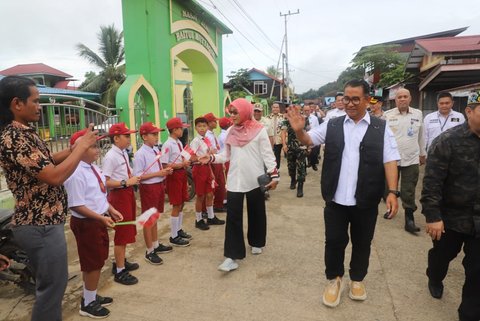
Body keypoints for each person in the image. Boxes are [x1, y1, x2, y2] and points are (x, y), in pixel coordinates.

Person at [285, 79, 400, 308]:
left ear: (367, 100)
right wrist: (299, 131)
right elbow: (310, 140)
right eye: (346, 98)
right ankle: (334, 279)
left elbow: (390, 160)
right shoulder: (333, 125)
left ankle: (357, 279)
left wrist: (392, 192)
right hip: (335, 199)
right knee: (334, 242)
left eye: (355, 98)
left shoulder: (381, 127)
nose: (349, 103)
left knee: (362, 242)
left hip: (366, 199)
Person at [0, 75, 97, 321]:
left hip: (45, 221)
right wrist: (82, 149)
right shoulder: (15, 137)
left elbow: (45, 163)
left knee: (54, 284)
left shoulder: (23, 133)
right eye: (35, 100)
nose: (39, 106)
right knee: (52, 287)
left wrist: (75, 148)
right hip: (38, 223)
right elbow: (53, 176)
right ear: (17, 104)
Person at [420, 91, 480, 321]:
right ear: (469, 111)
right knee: (441, 258)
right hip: (450, 218)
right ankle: (434, 277)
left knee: (477, 272)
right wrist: (433, 216)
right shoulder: (448, 141)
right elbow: (432, 182)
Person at [201, 98, 279, 272]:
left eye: (236, 112)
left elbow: (268, 154)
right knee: (233, 218)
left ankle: (257, 242)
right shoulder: (230, 131)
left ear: (245, 111)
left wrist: (274, 174)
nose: (233, 116)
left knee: (257, 211)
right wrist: (212, 158)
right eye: (231, 112)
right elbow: (226, 155)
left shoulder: (259, 130)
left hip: (254, 178)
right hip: (235, 179)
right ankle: (231, 256)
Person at [64, 129, 124, 318]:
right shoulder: (75, 173)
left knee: (97, 261)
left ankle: (90, 295)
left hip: (97, 220)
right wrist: (100, 218)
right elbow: (77, 205)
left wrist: (110, 209)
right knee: (92, 263)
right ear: (78, 150)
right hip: (87, 223)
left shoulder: (93, 168)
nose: (97, 150)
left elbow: (98, 195)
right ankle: (87, 304)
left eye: (96, 145)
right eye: (91, 146)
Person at [384, 88, 427, 234]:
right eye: (399, 97)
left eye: (405, 96)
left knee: (409, 189)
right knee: (391, 187)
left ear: (410, 99)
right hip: (392, 159)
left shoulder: (418, 114)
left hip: (411, 158)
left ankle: (409, 219)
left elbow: (421, 135)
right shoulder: (387, 115)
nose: (402, 99)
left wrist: (422, 153)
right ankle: (390, 209)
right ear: (395, 100)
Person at [102, 123, 141, 285]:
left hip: (126, 193)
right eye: (126, 136)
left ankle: (121, 261)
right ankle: (119, 270)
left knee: (127, 230)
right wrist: (126, 182)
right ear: (116, 138)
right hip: (119, 196)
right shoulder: (111, 156)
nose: (129, 139)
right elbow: (106, 181)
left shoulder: (122, 152)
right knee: (122, 233)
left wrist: (131, 178)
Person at [133, 122, 174, 265]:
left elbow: (157, 169)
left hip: (158, 186)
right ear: (144, 136)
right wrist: (159, 173)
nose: (157, 137)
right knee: (148, 220)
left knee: (155, 217)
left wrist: (166, 171)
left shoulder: (155, 150)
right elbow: (138, 176)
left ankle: (156, 245)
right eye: (154, 134)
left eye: (157, 134)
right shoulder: (140, 154)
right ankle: (149, 250)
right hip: (148, 188)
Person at [190, 117, 225, 231]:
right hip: (199, 168)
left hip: (207, 167)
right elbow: (191, 157)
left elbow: (210, 152)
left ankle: (211, 217)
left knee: (210, 193)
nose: (202, 128)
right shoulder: (195, 141)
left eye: (204, 126)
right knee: (200, 195)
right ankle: (198, 219)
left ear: (207, 127)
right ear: (195, 127)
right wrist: (201, 158)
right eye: (199, 126)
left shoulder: (206, 140)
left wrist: (210, 170)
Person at [161, 117, 192, 247]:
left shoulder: (178, 143)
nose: (183, 130)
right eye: (180, 128)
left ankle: (178, 230)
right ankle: (174, 236)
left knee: (182, 202)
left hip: (181, 174)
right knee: (176, 204)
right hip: (174, 176)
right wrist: (181, 164)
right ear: (174, 130)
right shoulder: (167, 144)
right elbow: (164, 164)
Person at [281, 106, 309, 197]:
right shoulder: (286, 121)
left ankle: (300, 187)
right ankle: (293, 179)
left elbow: (308, 132)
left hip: (301, 148)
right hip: (290, 148)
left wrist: (309, 146)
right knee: (291, 166)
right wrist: (284, 145)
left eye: (297, 110)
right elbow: (283, 133)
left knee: (301, 167)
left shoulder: (304, 119)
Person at [204, 112, 227, 212]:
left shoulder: (212, 134)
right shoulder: (206, 135)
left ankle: (218, 205)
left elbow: (218, 149)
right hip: (211, 162)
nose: (216, 123)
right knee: (211, 188)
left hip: (217, 161)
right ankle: (206, 210)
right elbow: (208, 151)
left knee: (221, 185)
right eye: (214, 121)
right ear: (209, 123)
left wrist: (221, 163)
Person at [266, 102, 285, 169]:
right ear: (272, 108)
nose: (275, 109)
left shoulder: (282, 117)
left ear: (279, 109)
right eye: (274, 107)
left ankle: (277, 169)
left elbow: (284, 129)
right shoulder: (267, 117)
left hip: (278, 140)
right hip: (269, 140)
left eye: (277, 107)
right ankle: (271, 168)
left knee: (277, 155)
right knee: (270, 155)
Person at [303, 103, 321, 171]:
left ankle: (313, 163)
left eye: (308, 110)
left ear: (310, 110)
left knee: (313, 154)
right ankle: (303, 169)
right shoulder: (300, 118)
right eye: (305, 110)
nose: (306, 112)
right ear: (303, 110)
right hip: (303, 138)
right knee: (303, 154)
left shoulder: (314, 118)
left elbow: (317, 128)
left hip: (312, 138)